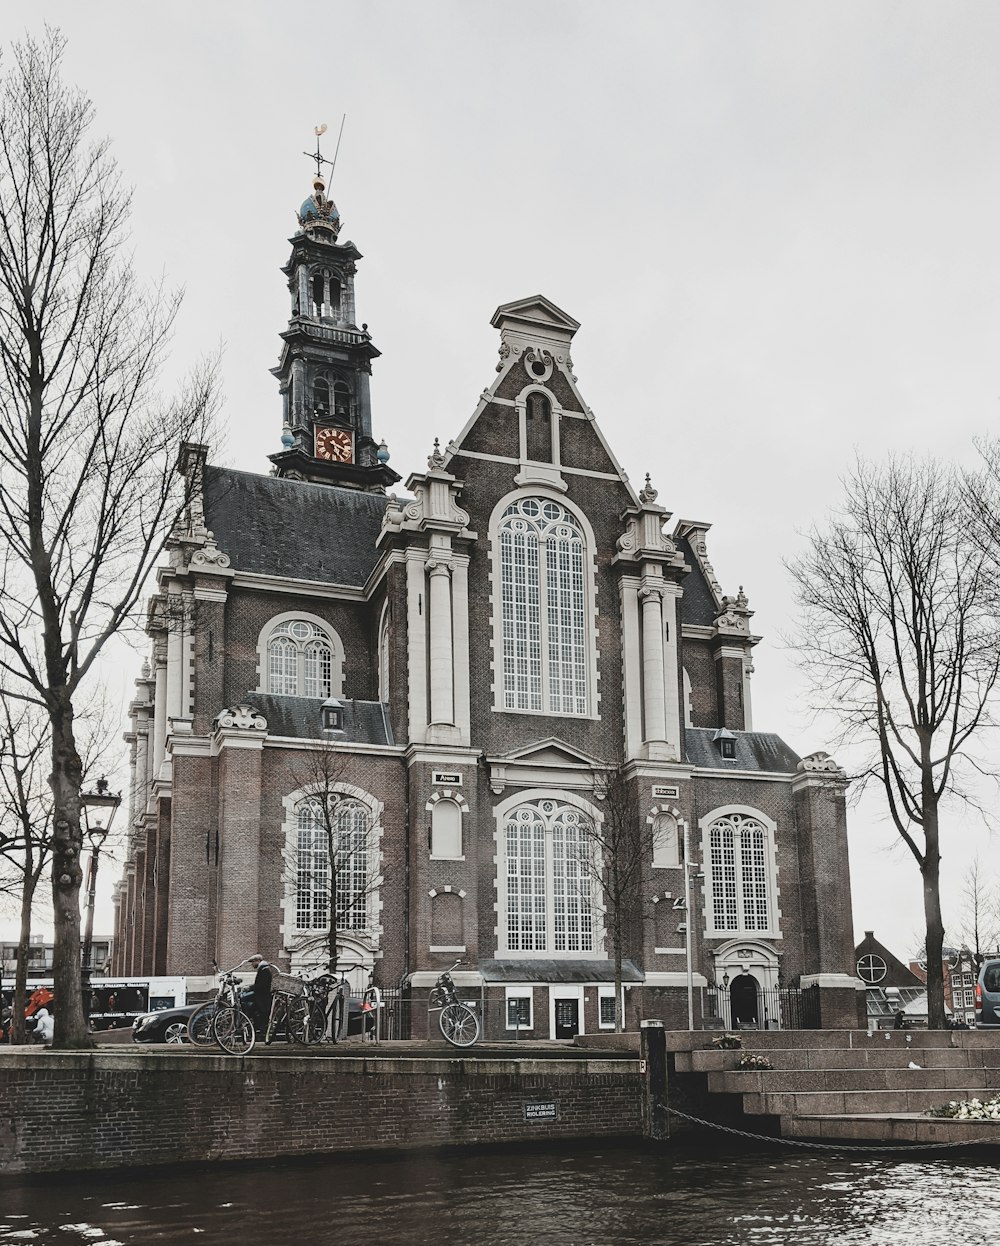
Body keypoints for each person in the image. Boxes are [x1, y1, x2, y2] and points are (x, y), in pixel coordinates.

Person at [247, 955, 273, 1030]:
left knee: (254, 1011)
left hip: (263, 997)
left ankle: (258, 1029)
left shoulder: (264, 970)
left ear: (258, 961)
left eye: (253, 962)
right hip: (261, 996)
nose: (252, 964)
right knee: (253, 1011)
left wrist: (250, 988)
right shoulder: (263, 969)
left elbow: (262, 985)